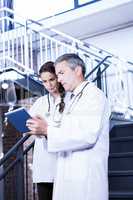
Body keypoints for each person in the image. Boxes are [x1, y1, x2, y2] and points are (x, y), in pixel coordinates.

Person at [27, 53, 110, 200]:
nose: (58, 79)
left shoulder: (93, 96)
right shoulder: (73, 99)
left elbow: (86, 135)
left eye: (61, 73)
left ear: (77, 70)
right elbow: (66, 130)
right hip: (67, 176)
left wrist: (47, 130)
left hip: (85, 179)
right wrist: (44, 128)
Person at [28, 61, 69, 200]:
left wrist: (46, 128)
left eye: (52, 79)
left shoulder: (70, 99)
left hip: (62, 161)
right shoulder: (40, 101)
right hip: (43, 163)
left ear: (58, 78)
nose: (49, 85)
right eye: (44, 81)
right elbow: (29, 125)